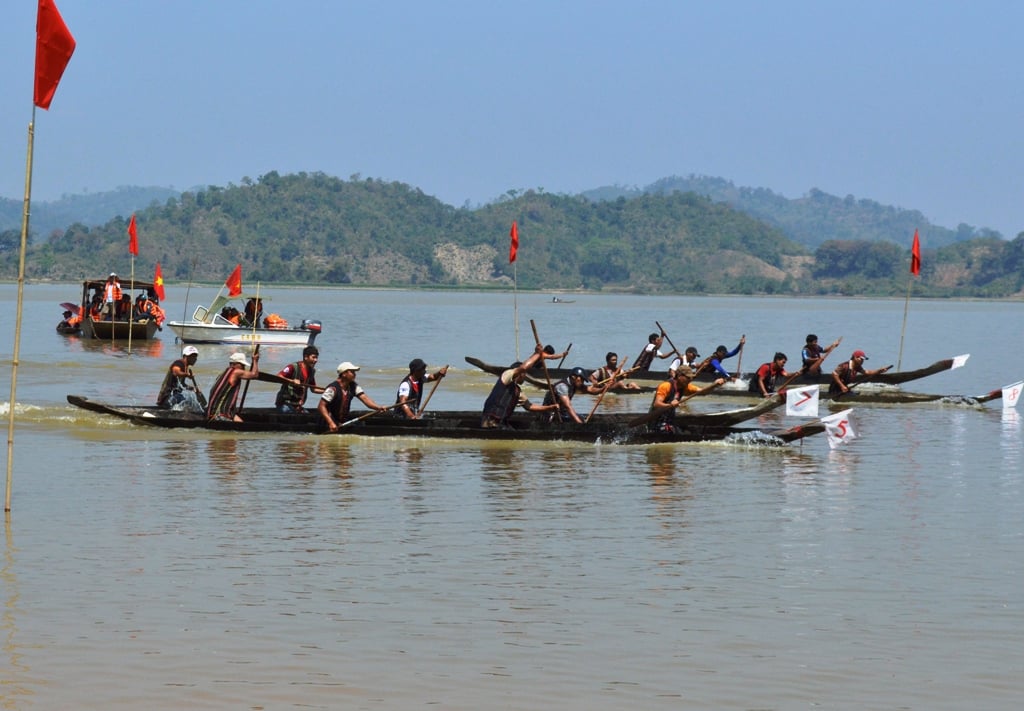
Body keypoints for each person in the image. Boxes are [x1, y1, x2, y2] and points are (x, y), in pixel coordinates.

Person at [480, 343, 563, 428]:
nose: (525, 377)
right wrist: (538, 354)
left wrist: (550, 407)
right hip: (490, 421)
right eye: (525, 374)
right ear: (520, 374)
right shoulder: (507, 376)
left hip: (501, 423)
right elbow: (523, 368)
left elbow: (530, 407)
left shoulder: (517, 392)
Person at [648, 366, 726, 432]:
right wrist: (670, 405)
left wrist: (714, 385)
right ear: (679, 376)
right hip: (656, 422)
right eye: (687, 377)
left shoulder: (685, 387)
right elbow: (657, 404)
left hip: (669, 421)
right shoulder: (666, 386)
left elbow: (702, 392)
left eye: (691, 378)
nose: (690, 380)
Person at [319, 362, 388, 432]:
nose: (355, 375)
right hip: (328, 422)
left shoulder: (353, 386)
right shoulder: (332, 388)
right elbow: (321, 406)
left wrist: (378, 407)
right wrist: (331, 423)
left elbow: (365, 399)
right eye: (352, 372)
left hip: (341, 422)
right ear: (344, 374)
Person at [205, 351, 261, 422]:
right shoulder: (236, 372)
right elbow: (255, 375)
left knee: (241, 424)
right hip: (220, 414)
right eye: (242, 365)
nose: (244, 368)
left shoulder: (224, 373)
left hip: (213, 413)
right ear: (235, 364)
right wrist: (255, 361)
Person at [275, 345, 325, 413]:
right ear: (305, 357)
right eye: (313, 357)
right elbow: (278, 377)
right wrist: (292, 381)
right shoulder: (292, 367)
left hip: (298, 405)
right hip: (285, 404)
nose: (316, 360)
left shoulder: (312, 371)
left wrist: (327, 390)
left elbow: (314, 389)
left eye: (316, 358)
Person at [157, 346, 203, 412]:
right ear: (185, 356)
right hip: (167, 397)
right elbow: (176, 371)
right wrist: (187, 375)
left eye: (195, 356)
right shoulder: (179, 363)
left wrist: (192, 388)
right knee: (188, 400)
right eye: (192, 356)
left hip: (174, 396)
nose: (195, 359)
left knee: (190, 401)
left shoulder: (185, 367)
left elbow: (181, 384)